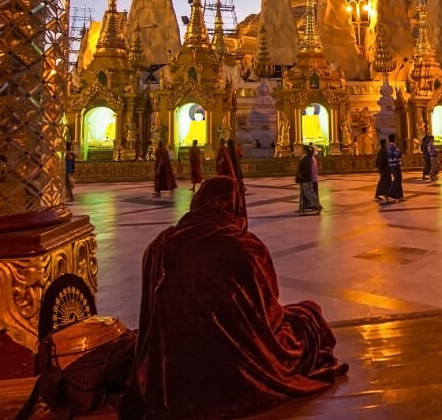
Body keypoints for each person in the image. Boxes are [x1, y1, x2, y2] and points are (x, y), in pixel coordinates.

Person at [123, 177, 347, 419]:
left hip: (173, 370)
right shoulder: (245, 247)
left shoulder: (159, 246)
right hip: (235, 367)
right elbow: (269, 318)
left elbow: (148, 324)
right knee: (309, 314)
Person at [295, 145, 322, 213]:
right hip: (307, 178)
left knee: (308, 193)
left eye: (302, 149)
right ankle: (302, 208)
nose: (301, 150)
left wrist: (301, 175)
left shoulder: (307, 158)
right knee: (306, 193)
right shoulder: (307, 157)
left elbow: (308, 169)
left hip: (306, 178)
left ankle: (317, 205)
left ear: (305, 151)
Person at [385, 133, 404, 202]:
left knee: (398, 180)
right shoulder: (394, 147)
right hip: (396, 165)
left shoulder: (388, 147)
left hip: (391, 165)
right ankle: (389, 194)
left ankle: (399, 196)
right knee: (397, 180)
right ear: (395, 139)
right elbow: (399, 155)